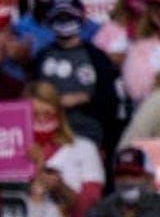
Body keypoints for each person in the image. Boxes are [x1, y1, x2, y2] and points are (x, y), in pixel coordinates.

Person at [30, 0, 122, 150]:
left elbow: (111, 101)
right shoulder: (42, 56)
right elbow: (31, 94)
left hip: (89, 133)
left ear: (82, 18)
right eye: (59, 17)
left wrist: (84, 98)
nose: (64, 22)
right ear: (50, 20)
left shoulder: (97, 56)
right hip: (49, 133)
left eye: (69, 17)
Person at [26, 80, 104, 217]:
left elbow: (90, 207)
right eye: (34, 115)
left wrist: (60, 187)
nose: (41, 120)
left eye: (47, 114)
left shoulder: (84, 148)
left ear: (58, 113)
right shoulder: (10, 153)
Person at [85, 147, 160, 217]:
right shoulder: (100, 210)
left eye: (134, 175)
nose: (126, 181)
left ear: (149, 178)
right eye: (121, 175)